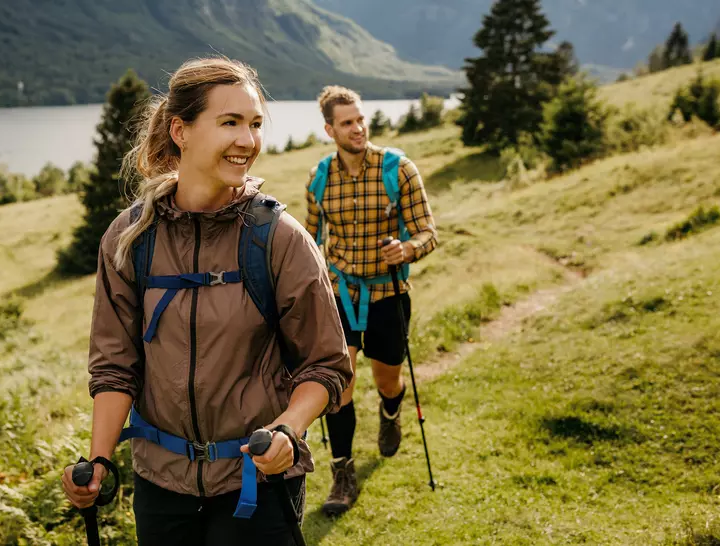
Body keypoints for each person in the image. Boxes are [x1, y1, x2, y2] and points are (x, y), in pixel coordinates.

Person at [60, 57, 352, 545]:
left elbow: (327, 366)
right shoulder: (130, 239)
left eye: (255, 124)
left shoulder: (279, 239)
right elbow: (114, 367)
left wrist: (288, 430)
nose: (248, 141)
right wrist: (99, 460)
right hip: (161, 487)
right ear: (181, 130)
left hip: (255, 482)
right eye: (230, 122)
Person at [305, 85, 438, 517]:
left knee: (386, 380)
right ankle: (342, 474)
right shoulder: (319, 179)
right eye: (347, 122)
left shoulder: (398, 169)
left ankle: (390, 409)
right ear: (330, 129)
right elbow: (307, 242)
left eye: (360, 119)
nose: (358, 128)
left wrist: (408, 249)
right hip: (339, 294)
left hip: (389, 295)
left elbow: (428, 233)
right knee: (338, 387)